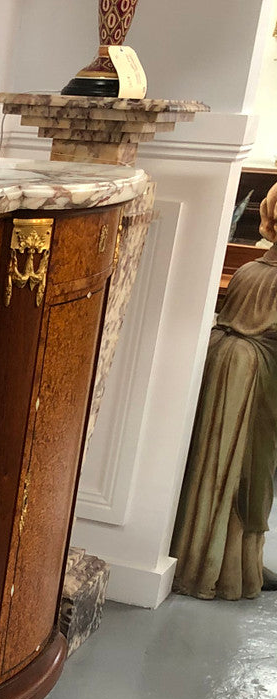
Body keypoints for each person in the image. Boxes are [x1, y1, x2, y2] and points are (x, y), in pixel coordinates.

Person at [171, 183, 277, 599]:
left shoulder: (249, 270)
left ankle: (216, 560)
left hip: (227, 368)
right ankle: (232, 567)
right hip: (256, 380)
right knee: (252, 473)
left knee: (213, 468)